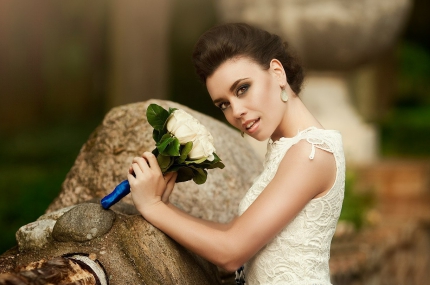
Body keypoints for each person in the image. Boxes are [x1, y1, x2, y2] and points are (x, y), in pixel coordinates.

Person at [128, 23, 345, 284]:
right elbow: (234, 232)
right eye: (224, 104)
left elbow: (232, 251)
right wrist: (163, 206)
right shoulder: (290, 148)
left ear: (277, 72)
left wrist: (152, 207)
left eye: (242, 88)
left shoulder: (310, 153)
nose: (236, 111)